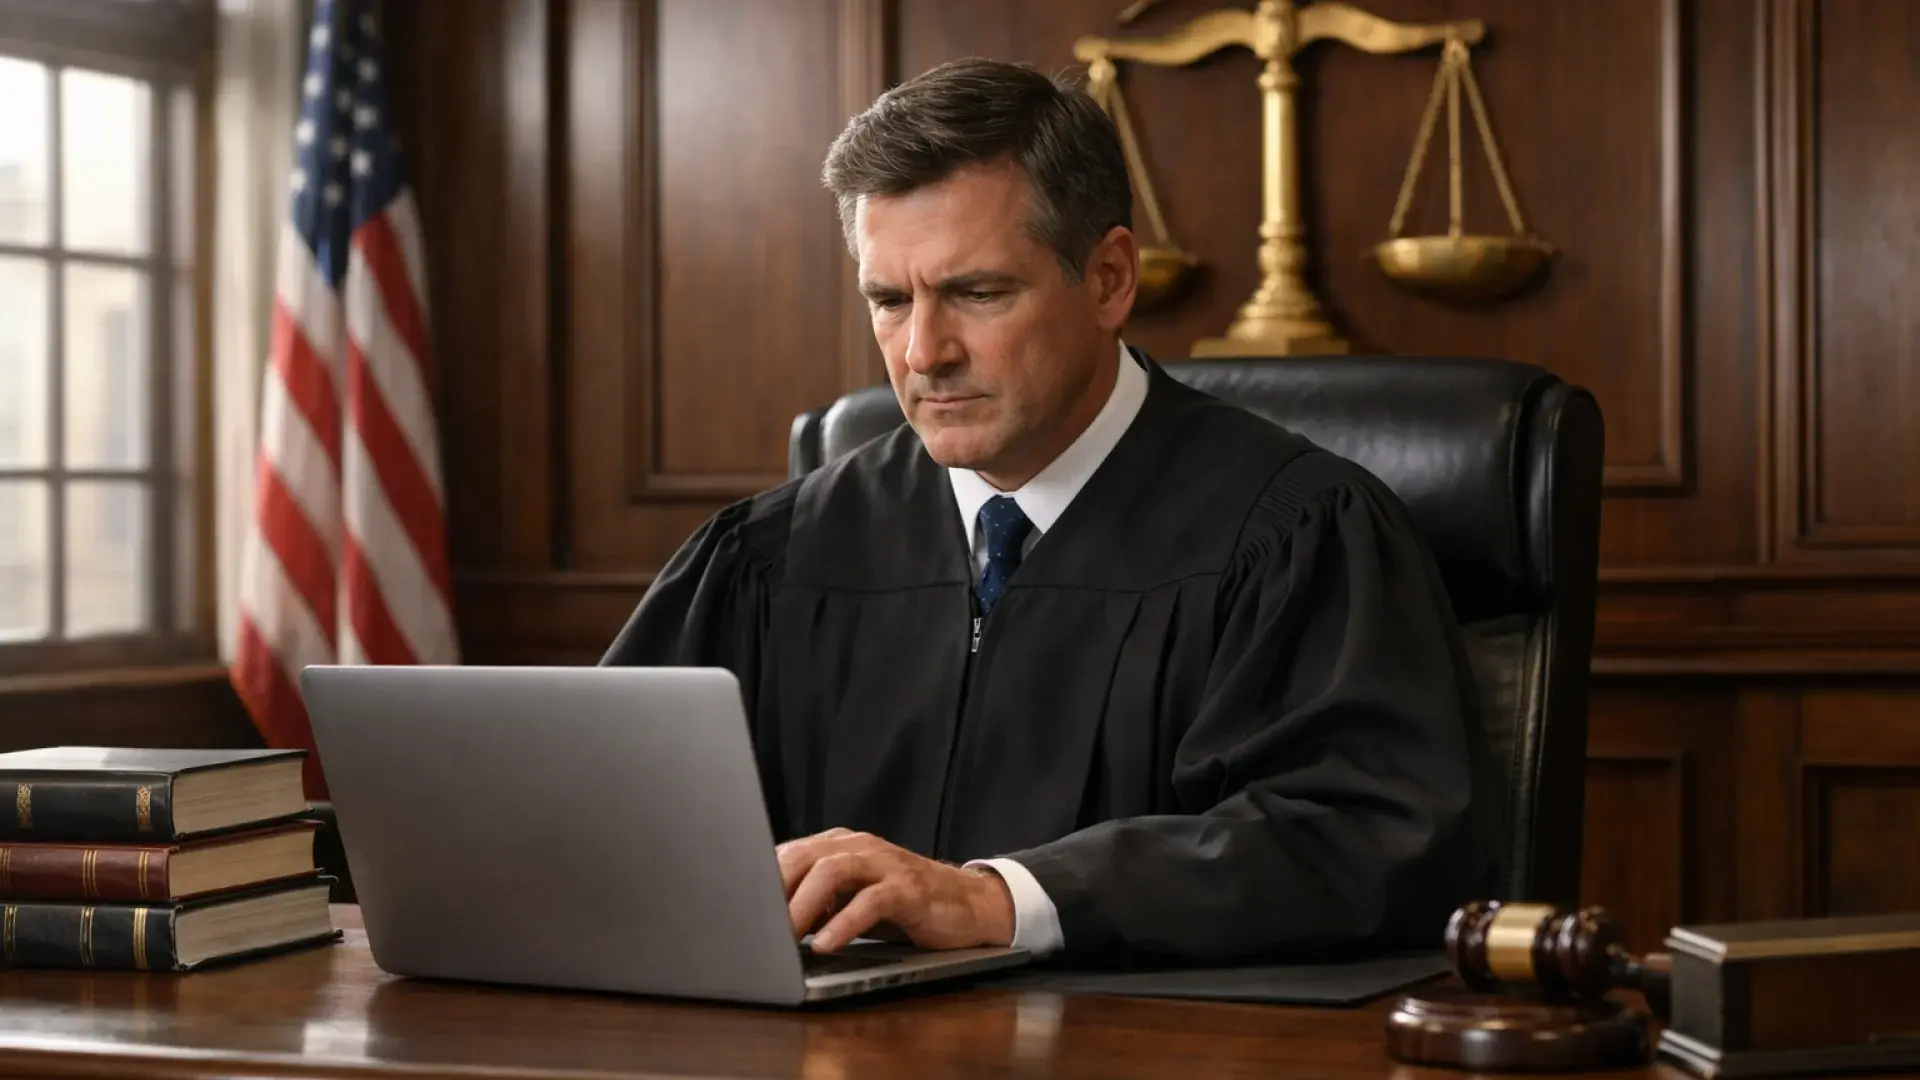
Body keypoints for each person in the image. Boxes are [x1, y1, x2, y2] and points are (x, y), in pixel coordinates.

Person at [601, 57, 1501, 966]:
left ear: (1110, 279)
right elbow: (597, 823)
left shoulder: (1295, 533)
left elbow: (1367, 839)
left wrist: (1003, 900)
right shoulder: (775, 556)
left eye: (977, 293)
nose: (923, 352)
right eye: (890, 300)